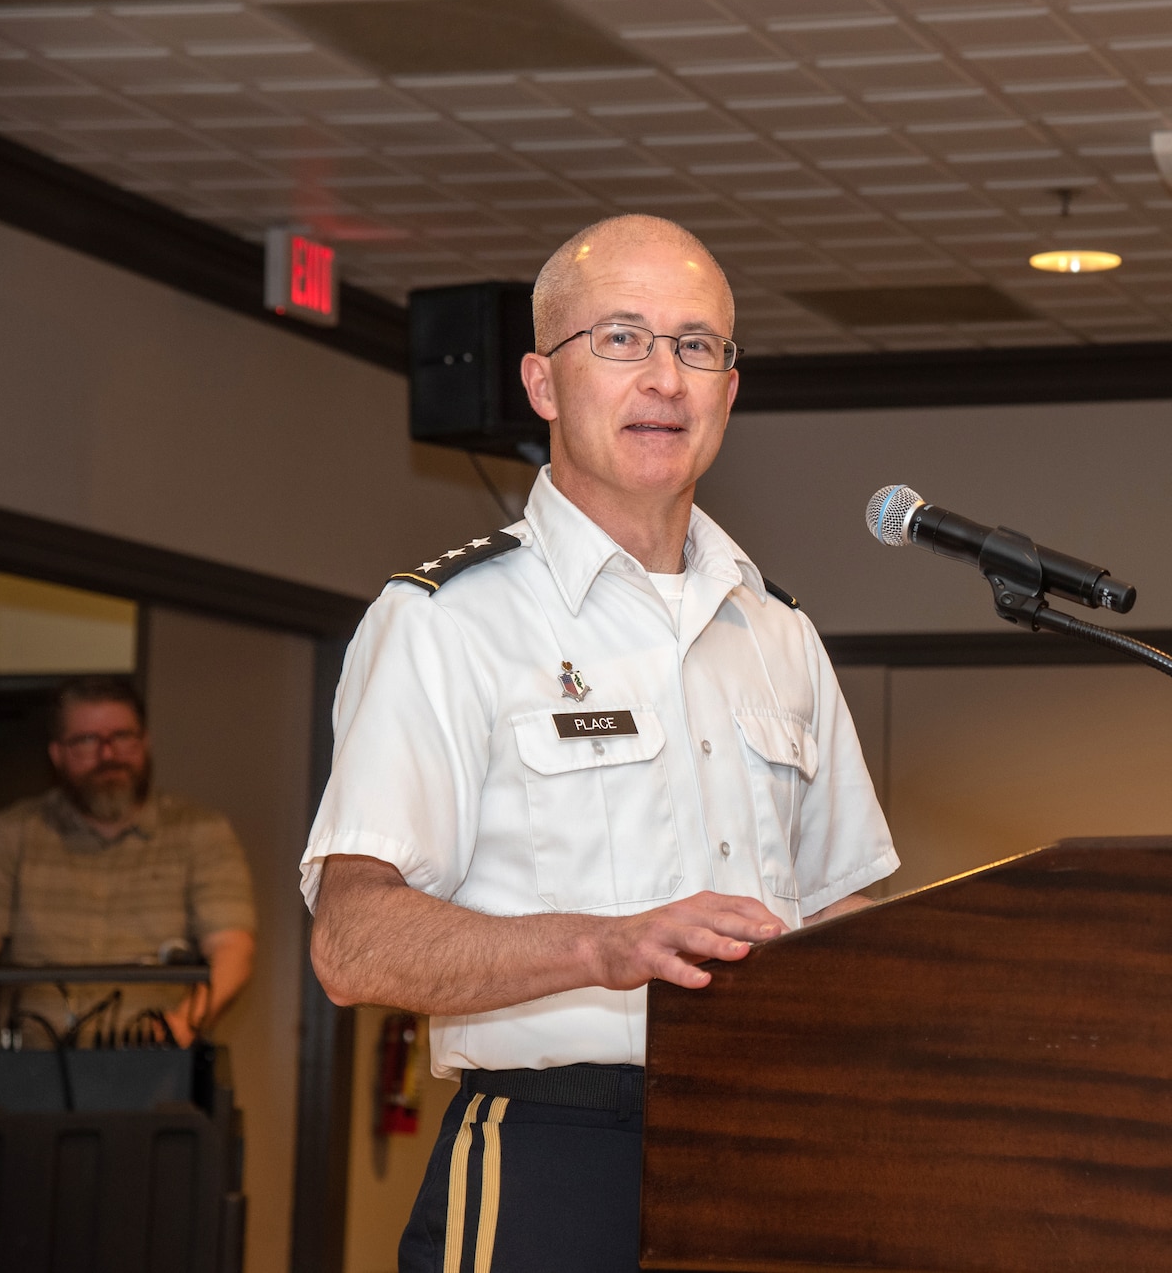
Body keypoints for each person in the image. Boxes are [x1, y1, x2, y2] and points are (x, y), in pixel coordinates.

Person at [301, 214, 898, 1273]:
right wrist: (604, 946)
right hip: (550, 1149)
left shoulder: (778, 633)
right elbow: (352, 946)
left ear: (728, 388)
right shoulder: (449, 621)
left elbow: (840, 910)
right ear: (541, 384)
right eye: (621, 340)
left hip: (773, 1143)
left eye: (696, 345)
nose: (664, 378)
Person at [0, 676, 257, 1048]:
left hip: (153, 1067)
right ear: (57, 753)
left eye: (122, 737)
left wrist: (181, 1024)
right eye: (87, 740)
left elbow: (233, 949)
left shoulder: (202, 832)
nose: (108, 754)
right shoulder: (10, 834)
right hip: (32, 1069)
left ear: (145, 742)